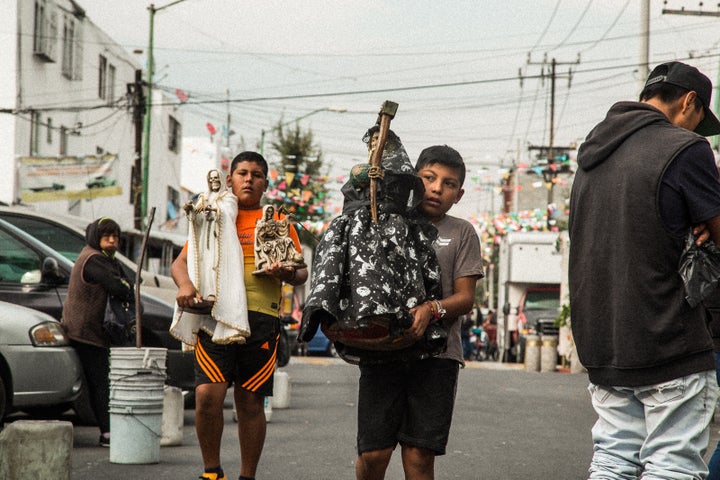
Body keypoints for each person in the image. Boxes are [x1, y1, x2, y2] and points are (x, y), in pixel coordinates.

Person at [569, 61, 720, 479]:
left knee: (613, 459)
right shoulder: (685, 148)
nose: (696, 133)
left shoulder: (592, 153)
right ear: (689, 101)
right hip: (667, 337)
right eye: (698, 122)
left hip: (604, 340)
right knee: (672, 464)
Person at [172, 151, 308, 480]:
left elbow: (301, 273)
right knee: (206, 397)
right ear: (230, 178)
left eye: (257, 174)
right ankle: (212, 472)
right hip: (214, 316)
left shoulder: (277, 221)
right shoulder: (214, 214)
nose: (249, 179)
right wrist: (186, 285)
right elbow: (180, 263)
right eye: (242, 173)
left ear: (265, 183)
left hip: (261, 321)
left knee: (249, 404)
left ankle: (248, 476)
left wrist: (286, 272)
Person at [354, 145, 484, 480]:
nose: (438, 188)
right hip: (383, 350)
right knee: (373, 454)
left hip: (438, 357)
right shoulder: (384, 221)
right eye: (429, 178)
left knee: (419, 456)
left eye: (449, 183)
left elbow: (465, 297)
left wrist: (432, 309)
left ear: (459, 194)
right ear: (414, 179)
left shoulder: (461, 233)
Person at [62, 217, 134, 447]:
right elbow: (121, 287)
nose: (112, 241)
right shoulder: (94, 260)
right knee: (100, 383)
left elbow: (127, 282)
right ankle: (107, 433)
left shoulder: (100, 258)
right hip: (86, 332)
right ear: (96, 237)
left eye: (116, 237)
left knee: (99, 382)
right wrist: (125, 286)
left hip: (87, 330)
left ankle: (108, 431)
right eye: (107, 237)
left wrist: (126, 284)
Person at [170, 168, 250, 346]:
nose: (214, 181)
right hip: (205, 244)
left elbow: (227, 215)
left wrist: (213, 211)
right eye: (211, 178)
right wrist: (193, 211)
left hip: (221, 244)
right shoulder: (203, 198)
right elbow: (196, 221)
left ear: (223, 180)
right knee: (203, 270)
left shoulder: (228, 199)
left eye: (216, 178)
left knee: (218, 271)